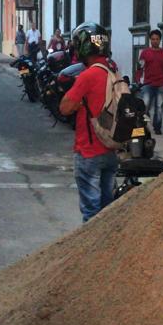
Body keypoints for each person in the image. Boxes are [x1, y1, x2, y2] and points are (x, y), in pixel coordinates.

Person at [59, 23, 119, 222]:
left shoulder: (88, 75)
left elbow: (65, 108)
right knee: (107, 211)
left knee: (91, 213)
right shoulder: (113, 72)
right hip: (110, 150)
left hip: (89, 152)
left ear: (84, 47)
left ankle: (92, 252)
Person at [136, 29, 163, 135]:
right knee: (145, 106)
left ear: (160, 40)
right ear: (150, 40)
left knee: (159, 107)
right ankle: (144, 125)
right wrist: (138, 80)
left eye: (157, 39)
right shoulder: (145, 53)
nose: (155, 41)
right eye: (153, 39)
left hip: (161, 85)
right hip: (148, 84)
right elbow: (140, 67)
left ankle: (157, 127)